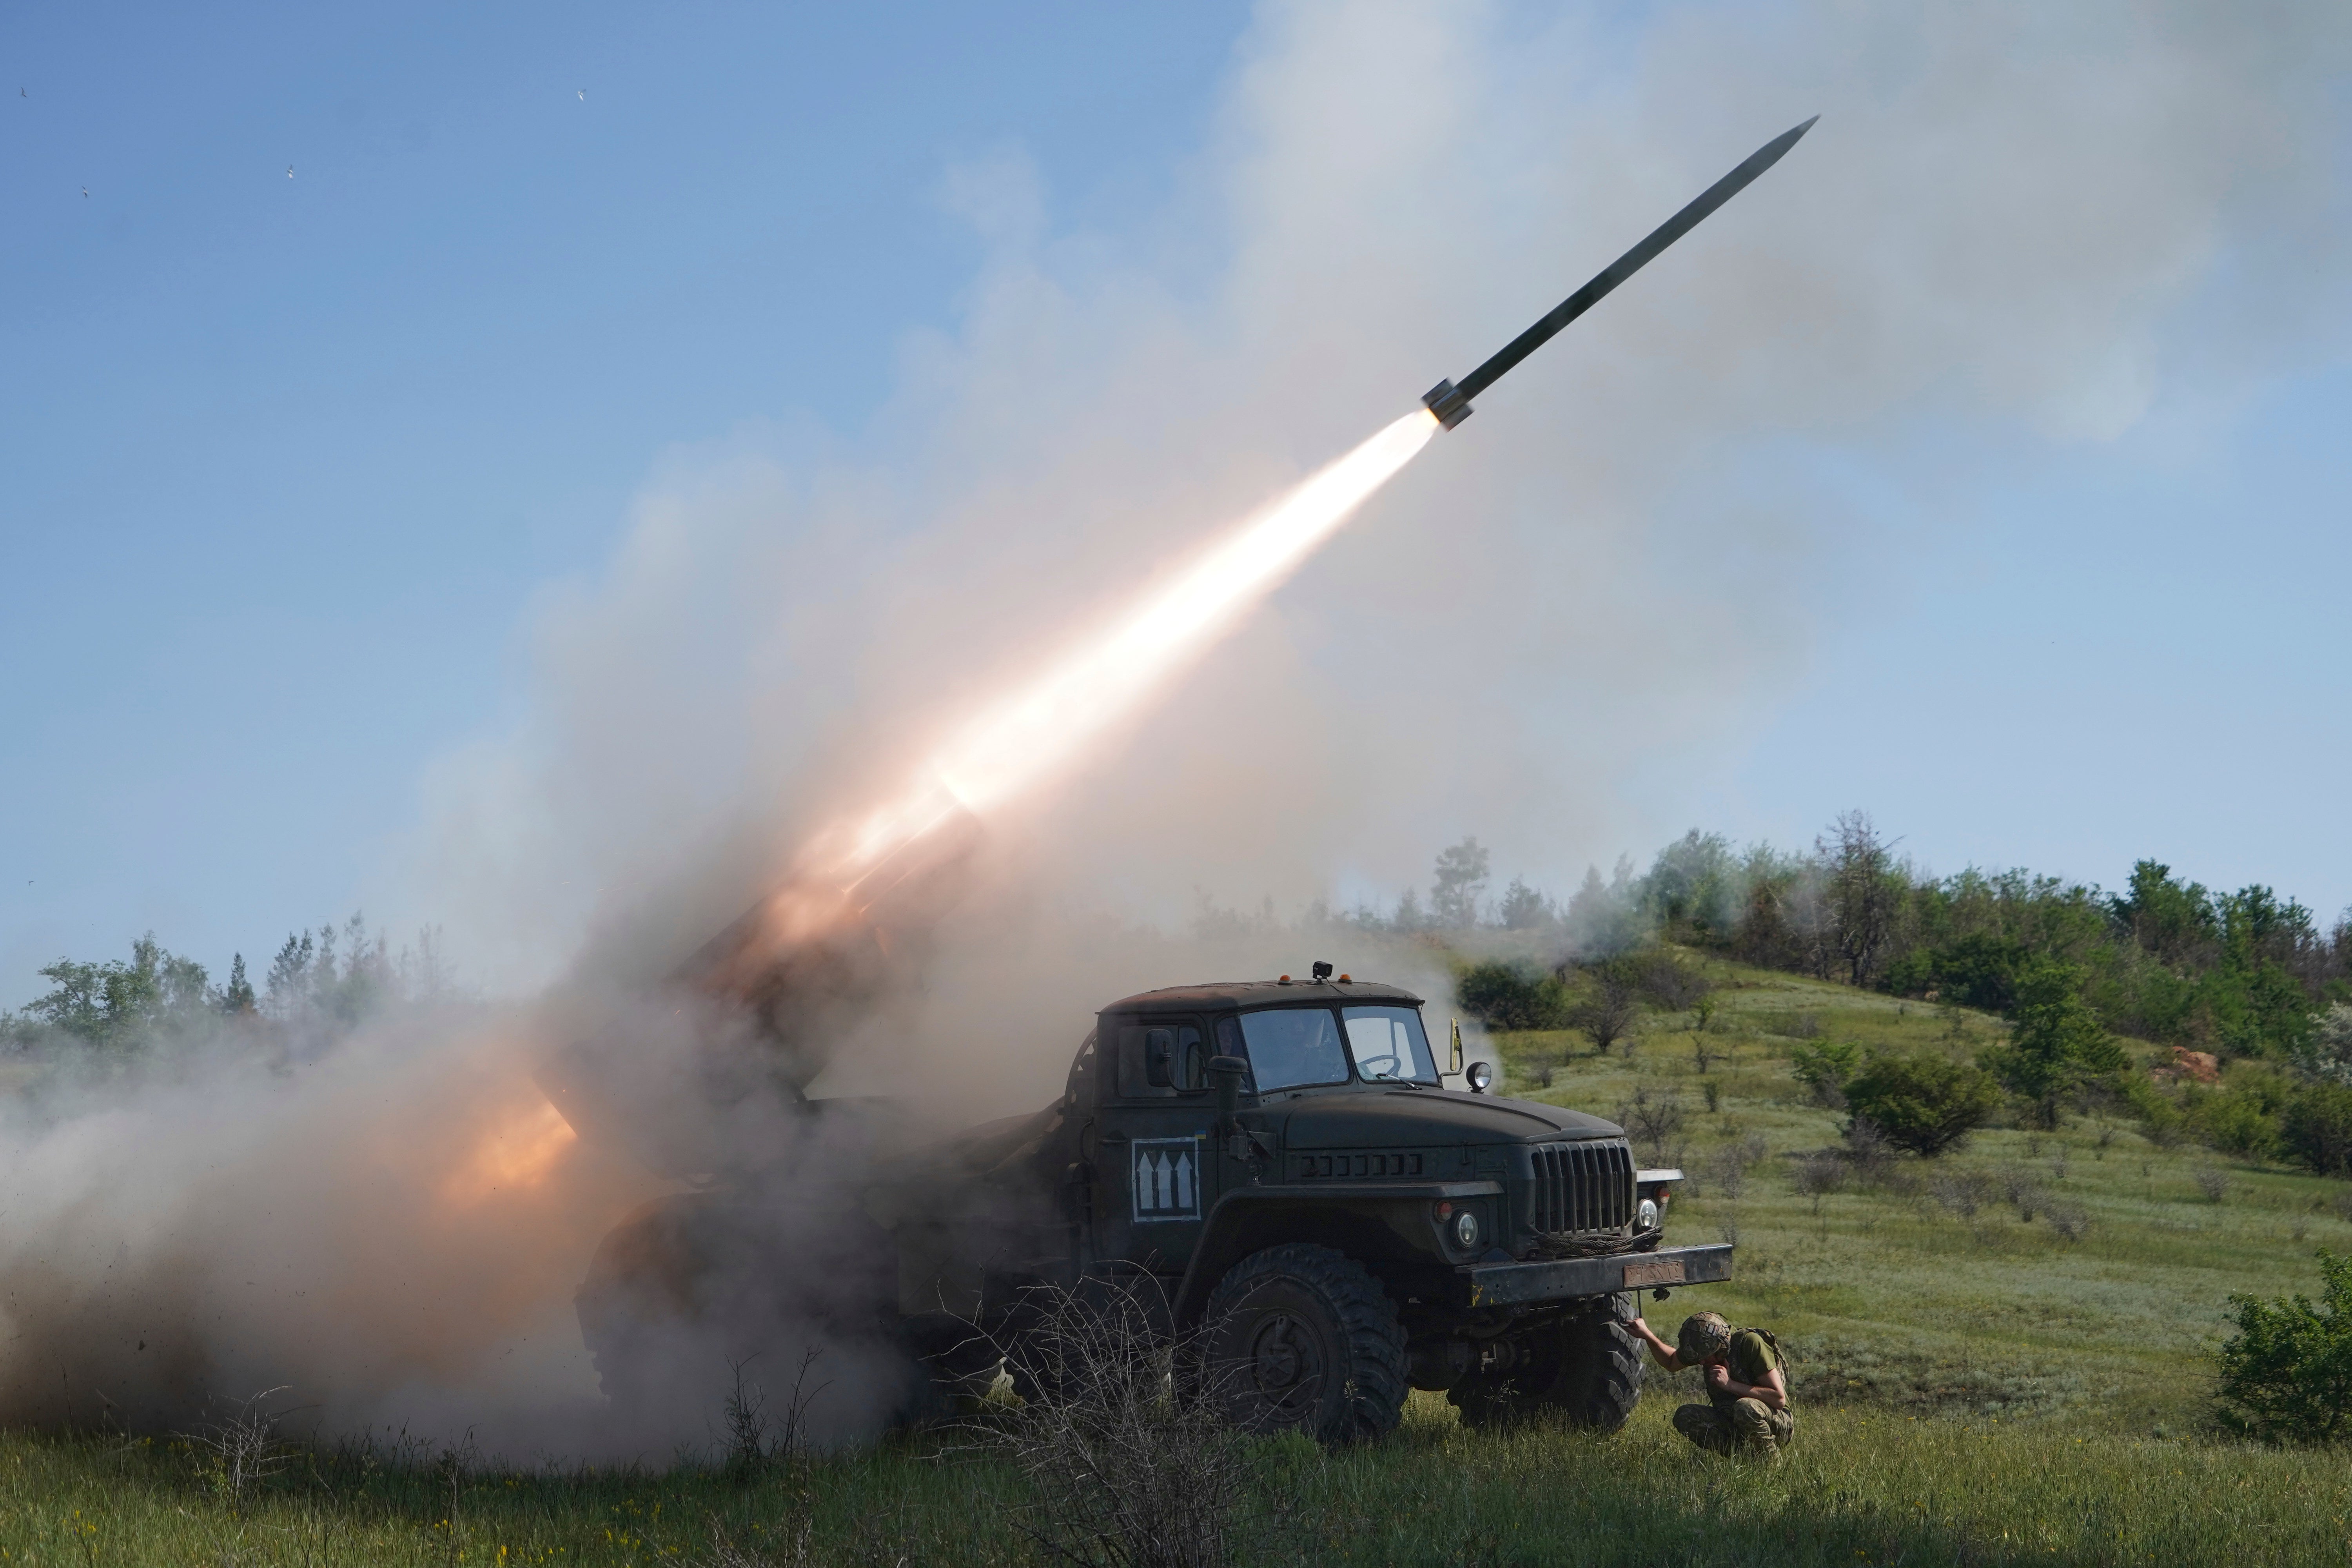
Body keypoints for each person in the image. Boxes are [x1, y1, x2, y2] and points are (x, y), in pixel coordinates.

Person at [1627, 1308, 1793, 1460]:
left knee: (1745, 1407)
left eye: (1706, 1358)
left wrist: (1730, 1385)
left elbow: (1778, 1399)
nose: (1702, 1362)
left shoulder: (1750, 1343)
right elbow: (1671, 1362)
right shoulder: (1705, 1349)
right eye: (1699, 1359)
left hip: (1777, 1424)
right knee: (1686, 1415)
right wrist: (1647, 1335)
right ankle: (1743, 1459)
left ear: (1722, 1346)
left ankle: (1769, 1465)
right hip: (1734, 1420)